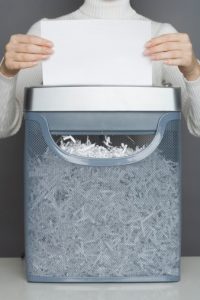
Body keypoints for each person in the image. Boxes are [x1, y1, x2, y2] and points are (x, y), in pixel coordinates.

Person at [0, 0, 200, 138]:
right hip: (63, 185)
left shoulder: (161, 37)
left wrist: (193, 71)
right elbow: (3, 127)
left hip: (139, 186)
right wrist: (5, 73)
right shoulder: (44, 36)